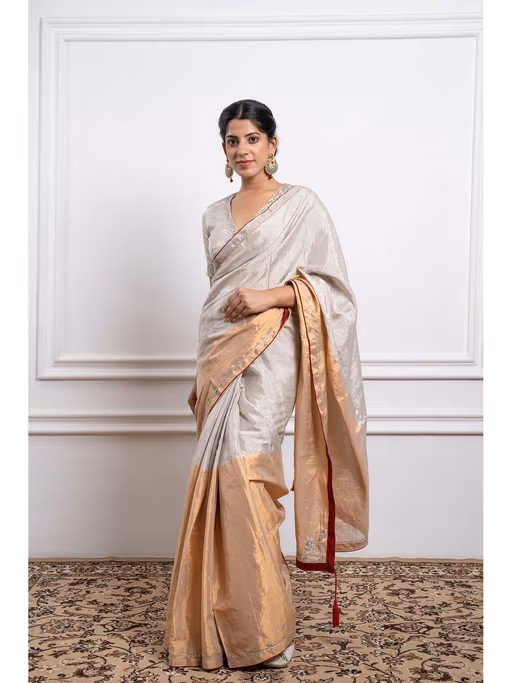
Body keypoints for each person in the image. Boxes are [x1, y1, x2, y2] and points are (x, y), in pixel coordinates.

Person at [163, 99, 369, 670]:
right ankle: (218, 624)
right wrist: (209, 356)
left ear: (273, 144)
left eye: (253, 138)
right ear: (223, 150)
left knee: (248, 479)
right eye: (233, 141)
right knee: (221, 487)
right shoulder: (212, 214)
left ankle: (265, 629)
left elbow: (335, 292)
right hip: (217, 352)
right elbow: (218, 291)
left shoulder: (302, 206)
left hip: (270, 352)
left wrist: (270, 296)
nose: (243, 149)